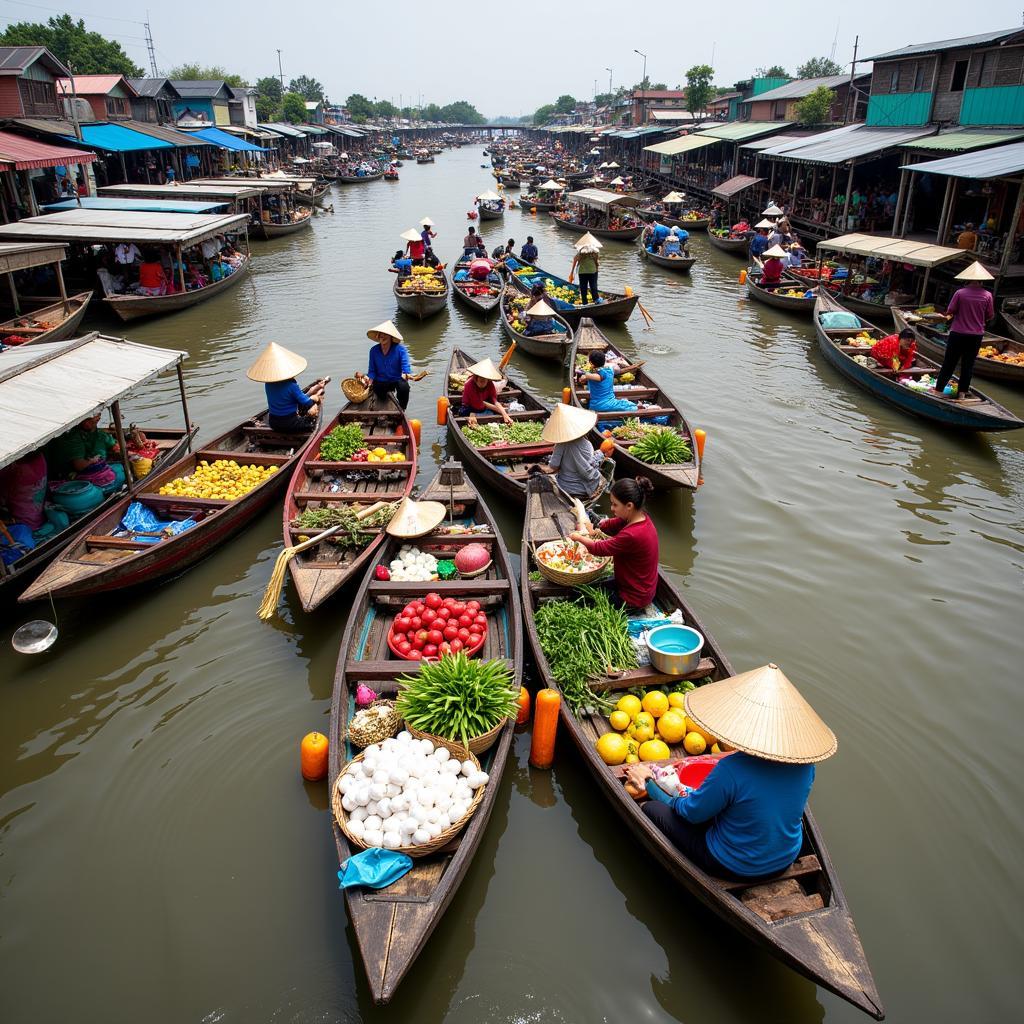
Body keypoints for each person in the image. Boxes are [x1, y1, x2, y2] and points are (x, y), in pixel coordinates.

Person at [626, 664, 835, 882]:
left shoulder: (732, 770)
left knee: (653, 808)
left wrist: (650, 782)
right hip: (785, 857)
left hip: (733, 864)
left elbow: (692, 814)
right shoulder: (805, 766)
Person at [569, 476, 658, 611]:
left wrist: (578, 537)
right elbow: (614, 524)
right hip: (633, 586)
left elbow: (599, 548)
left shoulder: (632, 534)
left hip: (633, 597)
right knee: (585, 589)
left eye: (615, 504)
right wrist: (598, 526)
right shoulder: (639, 516)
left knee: (577, 596)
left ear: (629, 506)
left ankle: (630, 608)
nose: (611, 508)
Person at [933, 261, 995, 400]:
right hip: (976, 336)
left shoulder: (960, 293)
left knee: (949, 363)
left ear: (967, 279)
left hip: (958, 333)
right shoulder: (987, 295)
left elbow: (950, 311)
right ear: (982, 280)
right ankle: (962, 394)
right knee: (968, 366)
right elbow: (990, 316)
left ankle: (938, 391)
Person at [246, 342, 324, 434]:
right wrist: (316, 398)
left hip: (274, 424)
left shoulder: (268, 384)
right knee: (312, 413)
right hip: (289, 424)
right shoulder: (291, 385)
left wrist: (312, 392)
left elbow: (287, 398)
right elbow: (307, 403)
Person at [537, 402, 604, 501]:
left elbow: (553, 466)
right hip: (585, 490)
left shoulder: (561, 444)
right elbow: (589, 466)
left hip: (565, 488)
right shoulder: (588, 445)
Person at [45, 414, 124, 490]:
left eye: (91, 420)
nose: (87, 423)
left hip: (95, 468)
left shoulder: (100, 434)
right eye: (86, 419)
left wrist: (116, 435)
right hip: (74, 474)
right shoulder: (73, 436)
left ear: (98, 418)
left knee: (119, 468)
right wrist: (91, 461)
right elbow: (79, 465)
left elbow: (115, 447)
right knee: (119, 474)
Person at [364, 320, 413, 410]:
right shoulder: (373, 351)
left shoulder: (400, 350)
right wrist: (369, 379)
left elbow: (405, 366)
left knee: (404, 387)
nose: (382, 337)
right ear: (378, 336)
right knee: (380, 395)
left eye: (385, 334)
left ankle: (402, 409)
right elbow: (372, 371)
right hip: (381, 381)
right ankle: (386, 397)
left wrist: (406, 373)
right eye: (380, 335)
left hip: (396, 379)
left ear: (391, 337)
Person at [577, 349, 643, 413]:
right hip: (606, 404)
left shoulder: (592, 375)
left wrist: (585, 374)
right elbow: (606, 368)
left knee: (630, 406)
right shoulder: (610, 370)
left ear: (591, 363)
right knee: (629, 405)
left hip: (597, 406)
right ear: (604, 361)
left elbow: (585, 376)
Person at [0, 450, 48, 530]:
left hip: (21, 525)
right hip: (40, 518)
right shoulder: (40, 457)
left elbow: (2, 500)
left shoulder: (11, 470)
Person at [458, 357, 511, 424]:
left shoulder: (490, 384)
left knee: (497, 411)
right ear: (476, 379)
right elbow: (479, 404)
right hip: (470, 406)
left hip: (483, 403)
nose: (482, 383)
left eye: (484, 381)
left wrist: (505, 415)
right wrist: (501, 411)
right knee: (465, 412)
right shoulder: (469, 385)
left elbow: (494, 400)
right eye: (480, 381)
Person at [570, 237, 601, 305]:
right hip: (592, 272)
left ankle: (585, 303)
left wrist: (572, 272)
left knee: (583, 288)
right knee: (593, 287)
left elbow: (575, 260)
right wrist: (597, 270)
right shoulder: (594, 252)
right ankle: (596, 301)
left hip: (583, 272)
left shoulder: (581, 252)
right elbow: (597, 263)